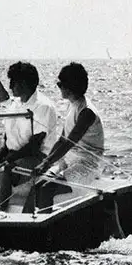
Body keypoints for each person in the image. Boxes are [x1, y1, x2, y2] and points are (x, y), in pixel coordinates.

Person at [0, 61, 57, 211]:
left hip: (36, 157)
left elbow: (34, 145)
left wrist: (8, 160)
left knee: (5, 170)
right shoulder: (14, 104)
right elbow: (5, 137)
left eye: (14, 82)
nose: (10, 86)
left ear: (25, 83)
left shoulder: (43, 106)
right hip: (10, 154)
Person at [28, 62, 104, 210]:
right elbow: (62, 139)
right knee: (37, 186)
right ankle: (29, 223)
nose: (58, 87)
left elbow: (69, 143)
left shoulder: (86, 112)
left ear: (70, 86)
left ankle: (44, 227)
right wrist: (46, 161)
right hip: (69, 161)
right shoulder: (72, 105)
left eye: (59, 84)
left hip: (87, 166)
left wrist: (47, 163)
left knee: (46, 189)